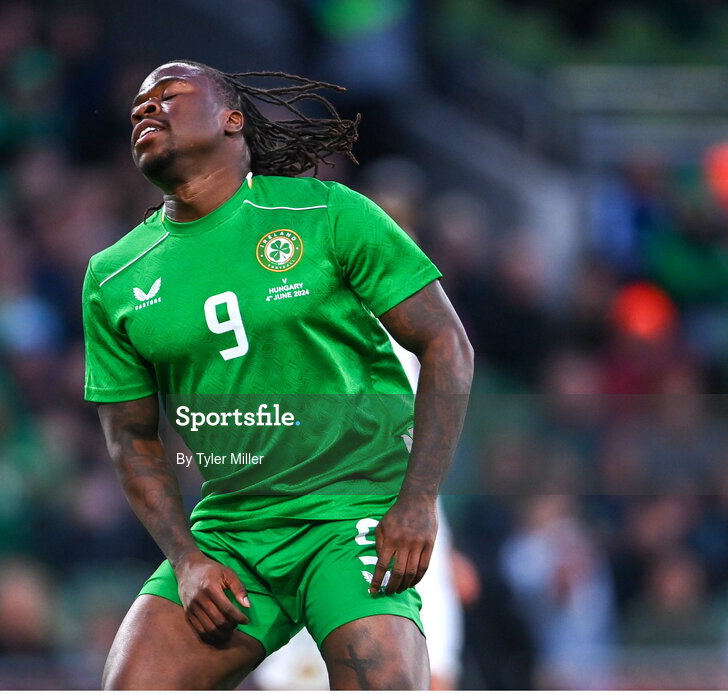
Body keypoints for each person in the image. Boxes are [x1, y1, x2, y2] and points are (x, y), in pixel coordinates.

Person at [82, 60, 473, 690]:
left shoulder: (328, 213)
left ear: (232, 119)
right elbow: (129, 436)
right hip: (233, 529)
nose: (145, 109)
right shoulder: (114, 275)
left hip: (352, 515)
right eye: (137, 106)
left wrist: (419, 501)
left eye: (168, 95)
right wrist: (186, 559)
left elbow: (446, 343)